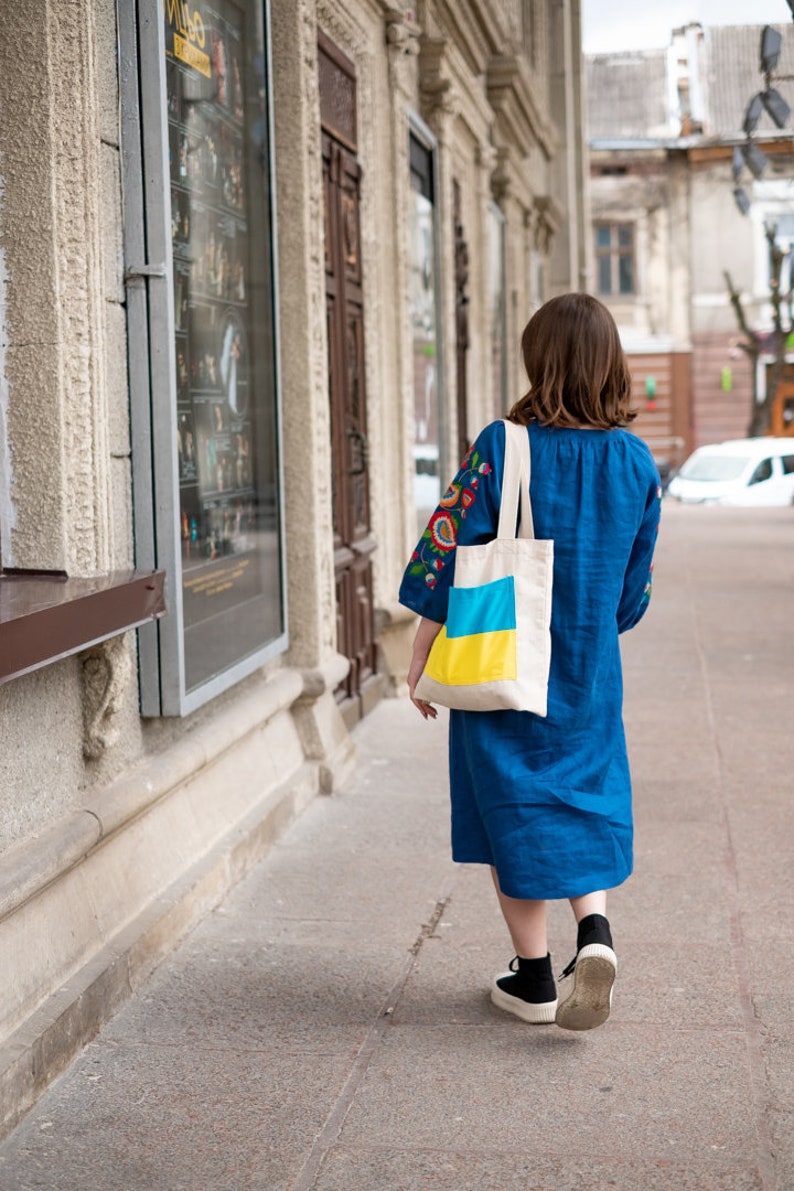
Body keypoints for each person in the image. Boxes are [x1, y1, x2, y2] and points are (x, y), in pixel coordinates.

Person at [398, 293, 661, 1032]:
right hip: (587, 668)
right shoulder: (636, 462)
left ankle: (536, 977)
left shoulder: (502, 444)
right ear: (611, 364)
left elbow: (447, 548)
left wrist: (422, 648)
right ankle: (595, 935)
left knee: (510, 810)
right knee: (585, 796)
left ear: (536, 359)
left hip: (503, 660)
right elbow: (633, 592)